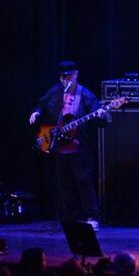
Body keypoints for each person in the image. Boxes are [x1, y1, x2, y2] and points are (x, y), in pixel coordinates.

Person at [29, 60, 103, 227]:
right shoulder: (55, 91)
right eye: (62, 77)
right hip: (60, 145)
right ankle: (70, 217)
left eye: (68, 76)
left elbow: (98, 117)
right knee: (64, 183)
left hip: (79, 146)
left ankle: (93, 216)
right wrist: (36, 112)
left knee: (83, 180)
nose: (65, 80)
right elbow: (41, 104)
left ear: (76, 75)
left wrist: (102, 116)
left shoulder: (85, 94)